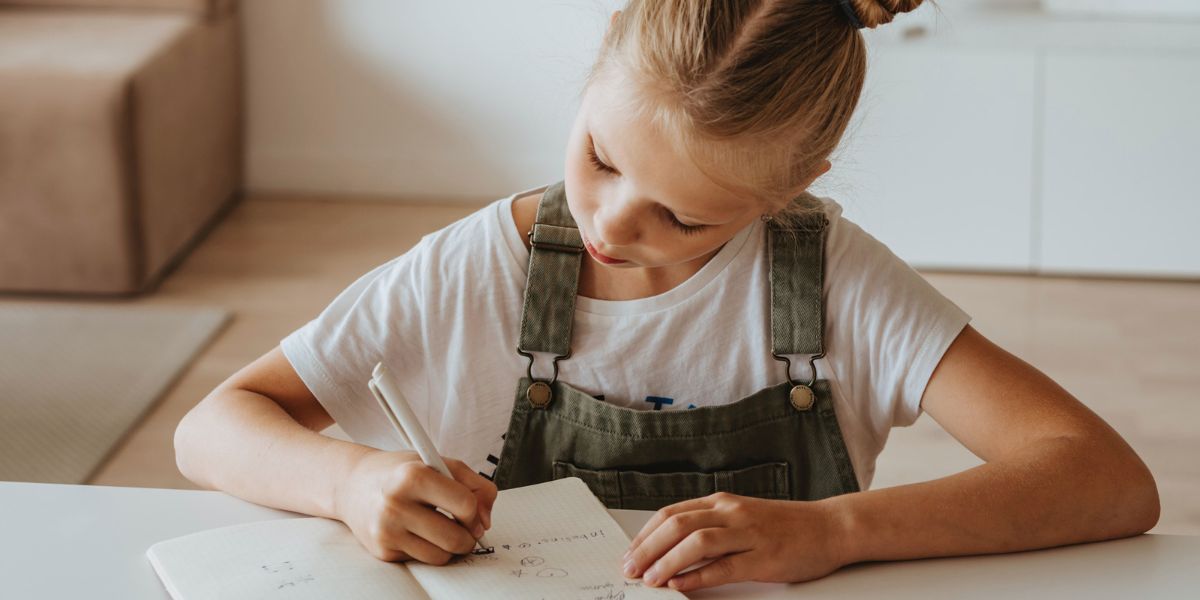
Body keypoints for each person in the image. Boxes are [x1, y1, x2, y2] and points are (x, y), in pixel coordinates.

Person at [174, 0, 1161, 593]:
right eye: (600, 158)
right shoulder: (473, 270)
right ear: (602, 54)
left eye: (686, 218)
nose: (613, 224)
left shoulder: (835, 284)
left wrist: (837, 530)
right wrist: (347, 484)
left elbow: (1104, 478)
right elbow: (213, 428)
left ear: (793, 183)